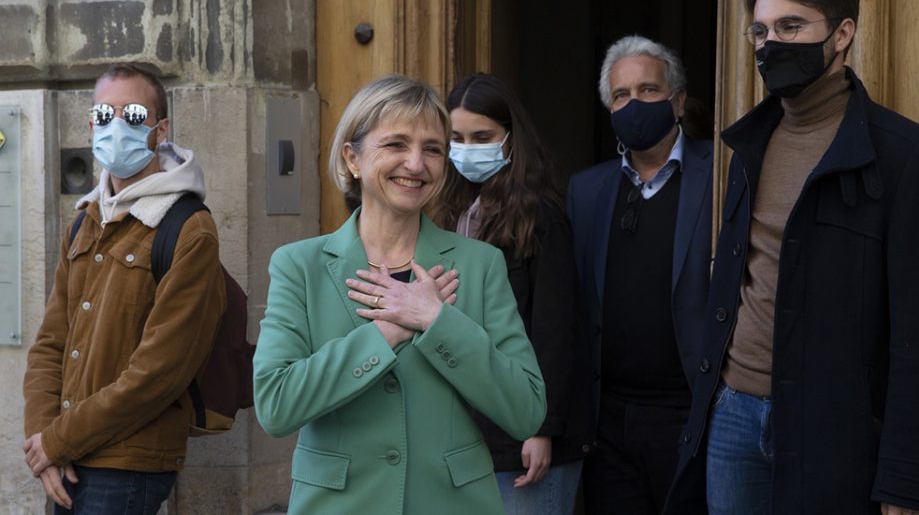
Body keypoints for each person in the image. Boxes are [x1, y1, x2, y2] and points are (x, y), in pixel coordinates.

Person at [663, 0, 919, 514]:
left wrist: (906, 478)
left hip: (834, 431)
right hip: (734, 418)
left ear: (842, 34)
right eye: (761, 32)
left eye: (791, 26)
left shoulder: (905, 156)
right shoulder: (749, 146)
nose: (772, 45)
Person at [252, 75, 547, 515]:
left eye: (432, 149)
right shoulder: (300, 265)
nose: (416, 163)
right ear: (352, 158)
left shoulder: (479, 264)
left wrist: (437, 321)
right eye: (395, 145)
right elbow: (276, 406)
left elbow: (526, 411)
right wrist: (386, 331)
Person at [22, 63, 226, 514]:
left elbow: (159, 373)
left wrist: (57, 440)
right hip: (67, 458)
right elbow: (50, 344)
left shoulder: (188, 228)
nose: (117, 126)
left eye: (134, 114)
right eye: (104, 114)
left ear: (161, 128)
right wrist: (43, 440)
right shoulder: (85, 220)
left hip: (128, 465)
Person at [566, 35, 713, 514]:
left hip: (691, 417)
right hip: (609, 425)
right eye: (621, 96)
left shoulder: (723, 174)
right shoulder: (586, 191)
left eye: (648, 91)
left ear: (678, 101)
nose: (634, 104)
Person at [432, 73, 589, 515]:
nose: (467, 149)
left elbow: (555, 332)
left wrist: (541, 429)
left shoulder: (540, 218)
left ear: (510, 138)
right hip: (464, 433)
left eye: (483, 137)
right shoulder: (449, 213)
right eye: (457, 138)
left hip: (524, 433)